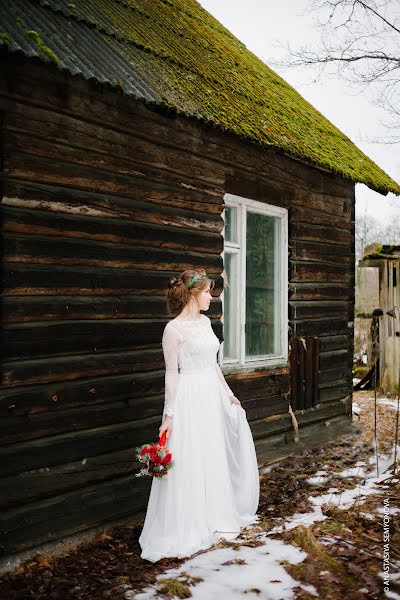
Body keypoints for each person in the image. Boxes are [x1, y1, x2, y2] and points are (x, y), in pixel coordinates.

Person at [138, 268, 260, 562]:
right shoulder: (173, 330)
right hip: (189, 397)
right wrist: (169, 415)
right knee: (191, 456)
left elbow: (213, 364)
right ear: (193, 294)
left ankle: (215, 514)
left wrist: (228, 392)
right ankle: (189, 523)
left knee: (212, 453)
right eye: (207, 292)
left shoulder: (206, 322)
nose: (210, 297)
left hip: (211, 393)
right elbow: (171, 375)